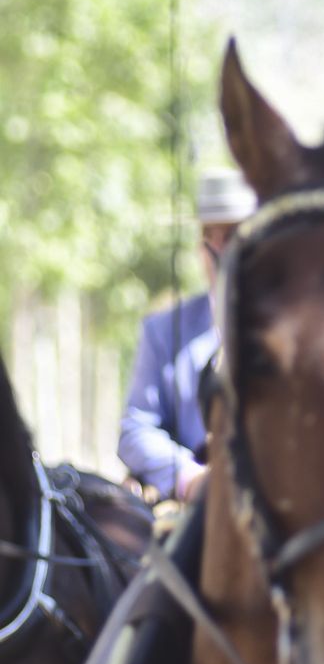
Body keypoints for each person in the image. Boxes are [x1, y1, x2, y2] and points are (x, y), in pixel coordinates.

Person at [118, 167, 257, 501]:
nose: (221, 248)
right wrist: (188, 477)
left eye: (235, 233)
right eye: (211, 233)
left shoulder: (295, 326)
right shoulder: (163, 330)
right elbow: (135, 429)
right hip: (198, 508)